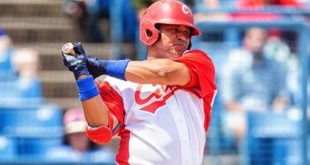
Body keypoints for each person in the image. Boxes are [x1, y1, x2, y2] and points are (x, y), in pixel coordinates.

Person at [61, 0, 217, 164]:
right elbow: (101, 130)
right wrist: (82, 75)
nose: (182, 36)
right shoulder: (118, 84)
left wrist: (102, 66)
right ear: (150, 32)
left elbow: (164, 72)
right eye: (174, 29)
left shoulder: (200, 63)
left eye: (187, 32)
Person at [220, 27, 289, 151]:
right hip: (241, 114)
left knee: (287, 124)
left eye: (262, 40)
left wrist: (276, 108)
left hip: (269, 113)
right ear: (246, 41)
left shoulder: (276, 65)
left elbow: (282, 96)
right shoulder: (234, 64)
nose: (258, 43)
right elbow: (228, 102)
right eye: (255, 39)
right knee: (243, 127)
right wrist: (251, 114)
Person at [45, 107, 115, 163]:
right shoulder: (56, 156)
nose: (78, 137)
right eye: (74, 133)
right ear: (67, 136)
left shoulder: (103, 156)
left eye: (82, 133)